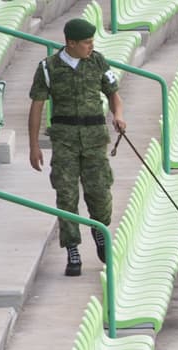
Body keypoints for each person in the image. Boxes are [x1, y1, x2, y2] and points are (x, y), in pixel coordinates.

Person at [28, 17, 126, 277]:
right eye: (86, 42)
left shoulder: (97, 61)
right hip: (65, 141)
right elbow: (36, 106)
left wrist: (117, 114)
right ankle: (72, 248)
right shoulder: (48, 68)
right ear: (70, 43)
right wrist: (34, 145)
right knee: (67, 196)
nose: (90, 46)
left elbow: (114, 93)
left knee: (100, 193)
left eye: (92, 41)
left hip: (95, 138)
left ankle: (100, 232)